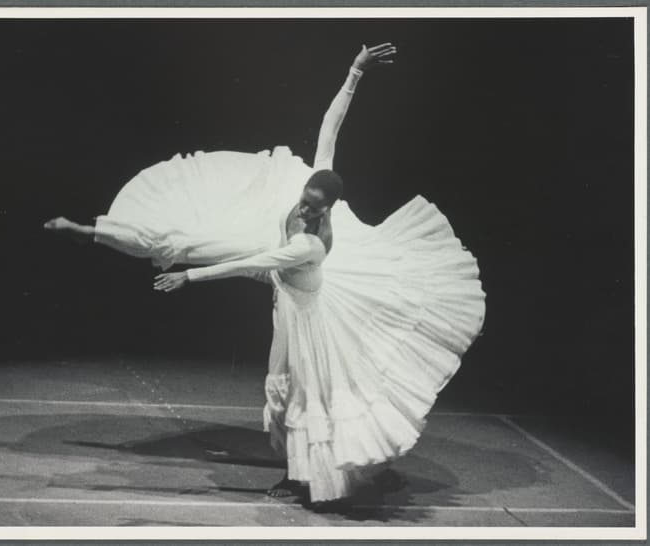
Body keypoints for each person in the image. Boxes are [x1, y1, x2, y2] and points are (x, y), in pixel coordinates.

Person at [151, 44, 486, 505]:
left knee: (309, 396)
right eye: (304, 198)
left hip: (309, 323)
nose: (303, 206)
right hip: (290, 304)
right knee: (294, 393)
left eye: (312, 205)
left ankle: (304, 477)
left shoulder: (310, 244)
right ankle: (317, 471)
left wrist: (189, 277)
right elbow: (331, 127)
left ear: (327, 208)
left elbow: (254, 263)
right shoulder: (315, 185)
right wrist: (354, 73)